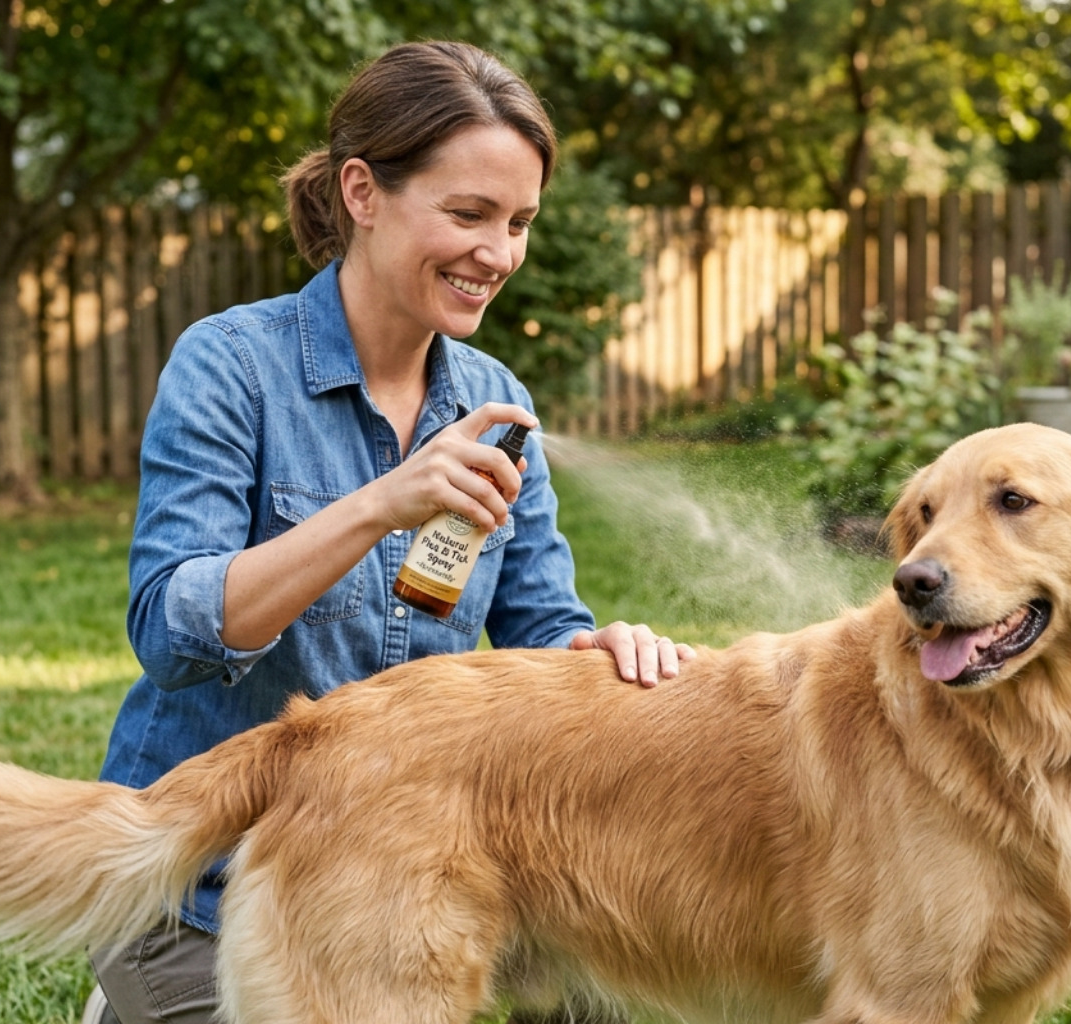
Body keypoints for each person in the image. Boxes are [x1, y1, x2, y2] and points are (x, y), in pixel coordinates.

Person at [84, 40, 694, 1024]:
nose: (499, 254)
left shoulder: (495, 404)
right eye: (468, 214)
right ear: (363, 192)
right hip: (212, 888)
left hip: (424, 875)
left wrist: (596, 653)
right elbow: (171, 630)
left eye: (519, 223)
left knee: (617, 995)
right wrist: (379, 504)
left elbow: (542, 628)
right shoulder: (232, 366)